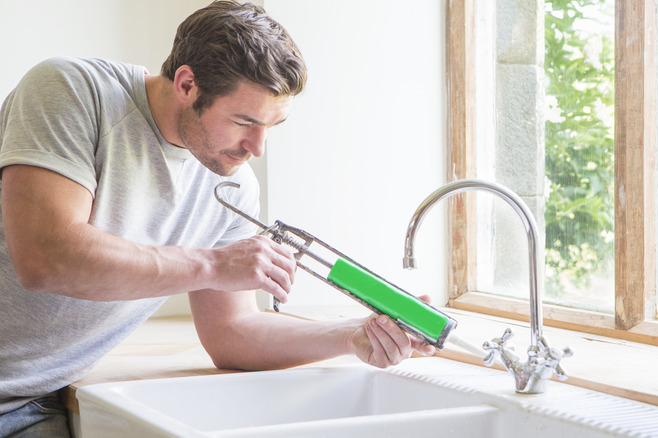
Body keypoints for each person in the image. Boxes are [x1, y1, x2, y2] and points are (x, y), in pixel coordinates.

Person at [0, 2, 434, 436]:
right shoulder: (72, 91)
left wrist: (350, 335)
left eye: (272, 125)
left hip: (33, 400)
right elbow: (45, 257)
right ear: (187, 84)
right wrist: (213, 265)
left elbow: (232, 333)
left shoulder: (233, 187)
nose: (257, 148)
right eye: (244, 121)